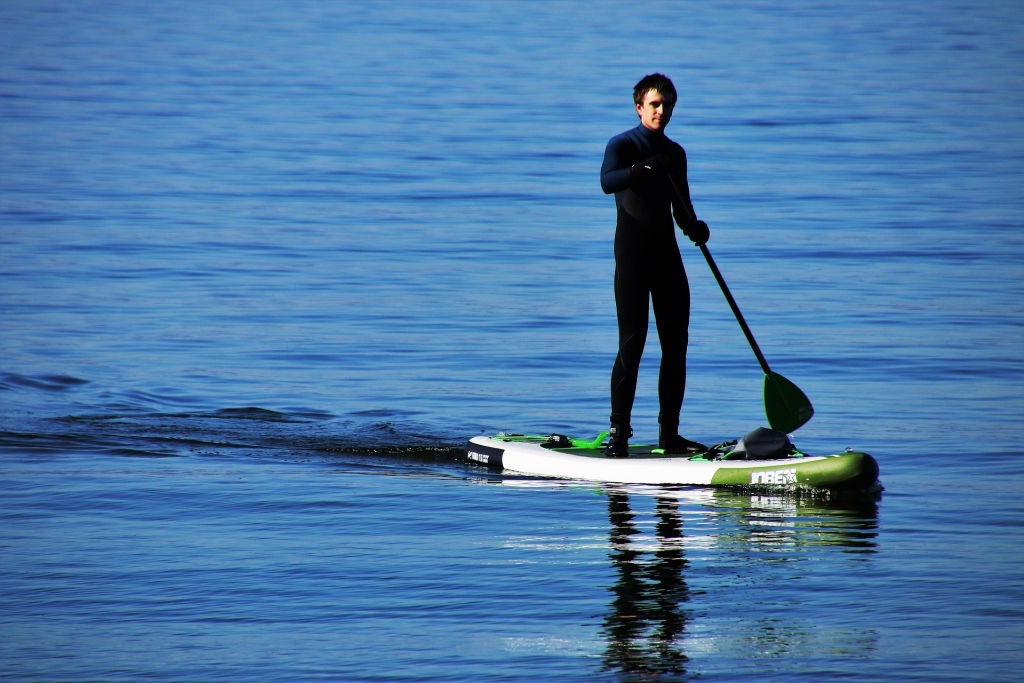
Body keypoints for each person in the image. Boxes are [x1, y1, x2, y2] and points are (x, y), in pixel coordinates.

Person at [600, 73, 710, 458]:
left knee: (676, 344)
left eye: (667, 105)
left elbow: (681, 207)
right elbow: (606, 182)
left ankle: (670, 434)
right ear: (639, 107)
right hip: (632, 256)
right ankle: (619, 432)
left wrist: (695, 227)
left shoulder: (676, 154)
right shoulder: (623, 144)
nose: (661, 111)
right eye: (654, 104)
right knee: (633, 343)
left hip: (667, 258)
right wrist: (641, 169)